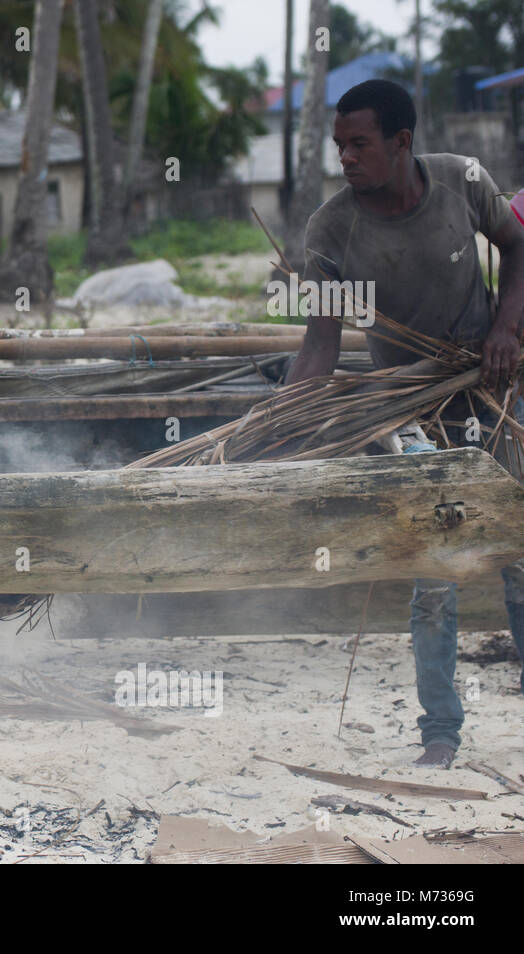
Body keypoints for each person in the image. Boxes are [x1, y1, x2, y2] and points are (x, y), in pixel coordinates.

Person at [286, 79, 524, 769]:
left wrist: (507, 327)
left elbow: (518, 247)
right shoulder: (331, 231)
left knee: (519, 557)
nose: (347, 158)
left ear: (401, 142)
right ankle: (441, 731)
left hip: (494, 386)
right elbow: (321, 346)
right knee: (434, 574)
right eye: (339, 146)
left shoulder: (462, 183)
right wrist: (283, 424)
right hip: (411, 409)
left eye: (360, 144)